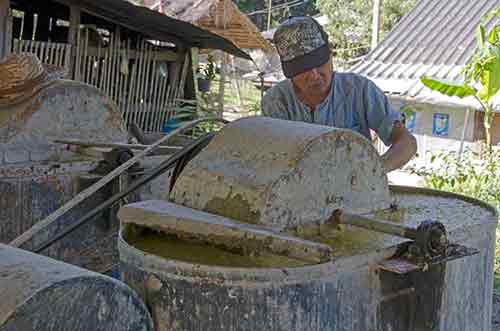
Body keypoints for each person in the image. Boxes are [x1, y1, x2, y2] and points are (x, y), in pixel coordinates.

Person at [261, 16, 417, 172]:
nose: (315, 75)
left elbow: (406, 142)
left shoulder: (359, 90)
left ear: (330, 55)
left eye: (319, 62)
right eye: (303, 69)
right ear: (289, 72)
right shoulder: (276, 102)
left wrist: (376, 171)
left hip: (357, 189)